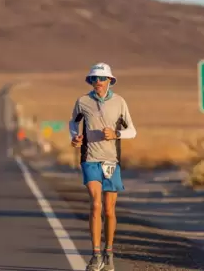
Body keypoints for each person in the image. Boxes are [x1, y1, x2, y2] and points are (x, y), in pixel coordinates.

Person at [69, 62, 137, 271]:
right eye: (93, 79)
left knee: (109, 210)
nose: (97, 82)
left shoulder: (119, 102)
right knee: (96, 204)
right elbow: (73, 122)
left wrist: (116, 134)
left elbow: (132, 131)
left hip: (111, 162)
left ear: (110, 80)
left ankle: (109, 252)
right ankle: (95, 255)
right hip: (90, 159)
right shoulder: (82, 102)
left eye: (101, 78)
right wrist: (75, 137)